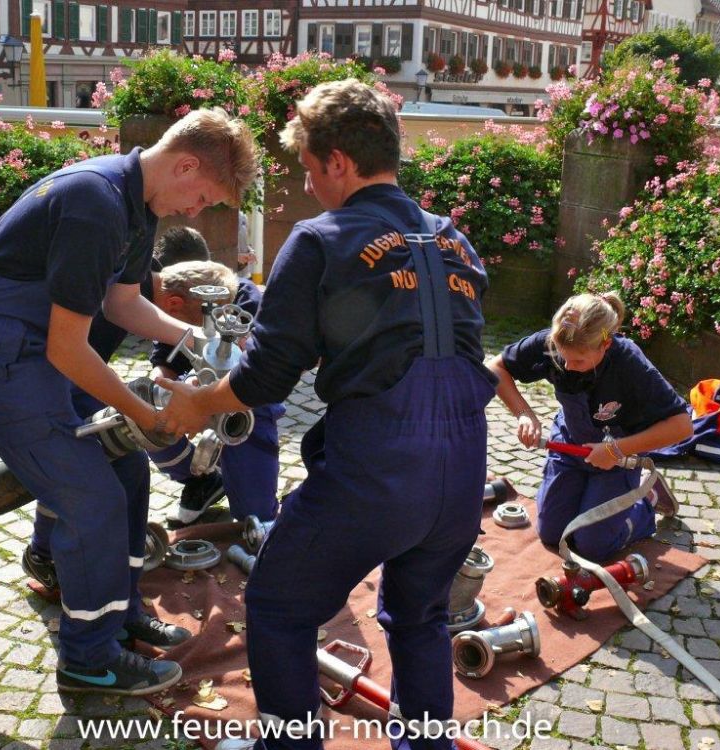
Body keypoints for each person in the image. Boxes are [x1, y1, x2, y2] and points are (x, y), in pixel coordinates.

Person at [158, 79, 497, 750]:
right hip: (463, 467)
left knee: (280, 608)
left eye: (312, 170)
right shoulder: (457, 243)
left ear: (338, 161)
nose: (311, 187)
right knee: (421, 616)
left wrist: (201, 402)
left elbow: (266, 376)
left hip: (375, 472)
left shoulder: (321, 240)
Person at [0, 107, 258, 696]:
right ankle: (87, 661)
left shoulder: (137, 204)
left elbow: (123, 307)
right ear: (185, 165)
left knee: (128, 469)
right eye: (206, 196)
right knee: (90, 498)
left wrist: (196, 341)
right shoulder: (96, 203)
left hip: (37, 341)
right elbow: (68, 350)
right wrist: (150, 415)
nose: (198, 212)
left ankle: (116, 614)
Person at [21, 227, 223, 593]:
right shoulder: (131, 276)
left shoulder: (145, 275)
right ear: (176, 305)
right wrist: (137, 410)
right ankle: (43, 554)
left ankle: (117, 574)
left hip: (76, 372)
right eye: (193, 320)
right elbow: (72, 353)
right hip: (52, 375)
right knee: (75, 465)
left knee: (125, 467)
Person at [486, 292, 693, 562]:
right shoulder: (552, 342)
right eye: (562, 357)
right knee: (552, 533)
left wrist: (616, 451)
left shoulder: (629, 363)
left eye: (579, 361)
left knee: (592, 546)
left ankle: (647, 500)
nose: (568, 367)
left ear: (605, 344)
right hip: (570, 447)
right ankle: (589, 497)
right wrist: (525, 414)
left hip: (617, 457)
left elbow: (682, 427)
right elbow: (496, 367)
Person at [149, 261, 285, 527]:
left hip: (243, 399)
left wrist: (205, 399)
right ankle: (203, 481)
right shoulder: (178, 309)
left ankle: (255, 503)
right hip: (198, 392)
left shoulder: (246, 301)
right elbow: (163, 365)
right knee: (149, 419)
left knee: (254, 518)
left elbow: (260, 373)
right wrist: (159, 396)